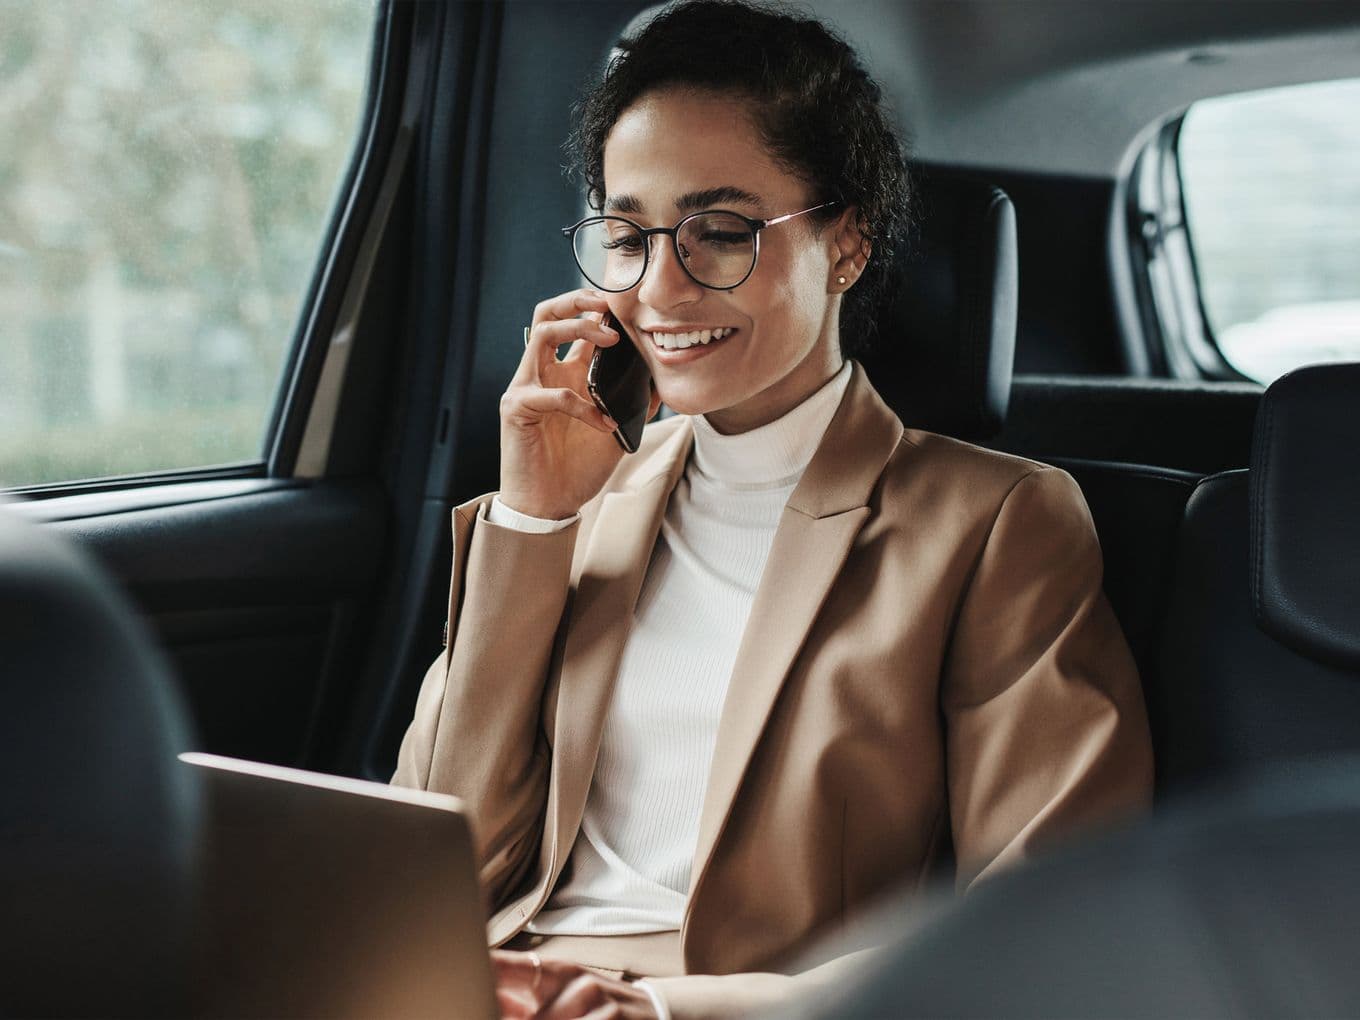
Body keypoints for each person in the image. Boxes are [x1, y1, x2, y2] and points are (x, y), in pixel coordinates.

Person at [391, 2, 1153, 1017]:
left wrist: (663, 1012)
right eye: (626, 236)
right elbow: (433, 866)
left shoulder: (993, 522)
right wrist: (534, 523)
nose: (658, 288)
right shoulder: (583, 499)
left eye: (720, 233)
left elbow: (1044, 928)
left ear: (845, 246)